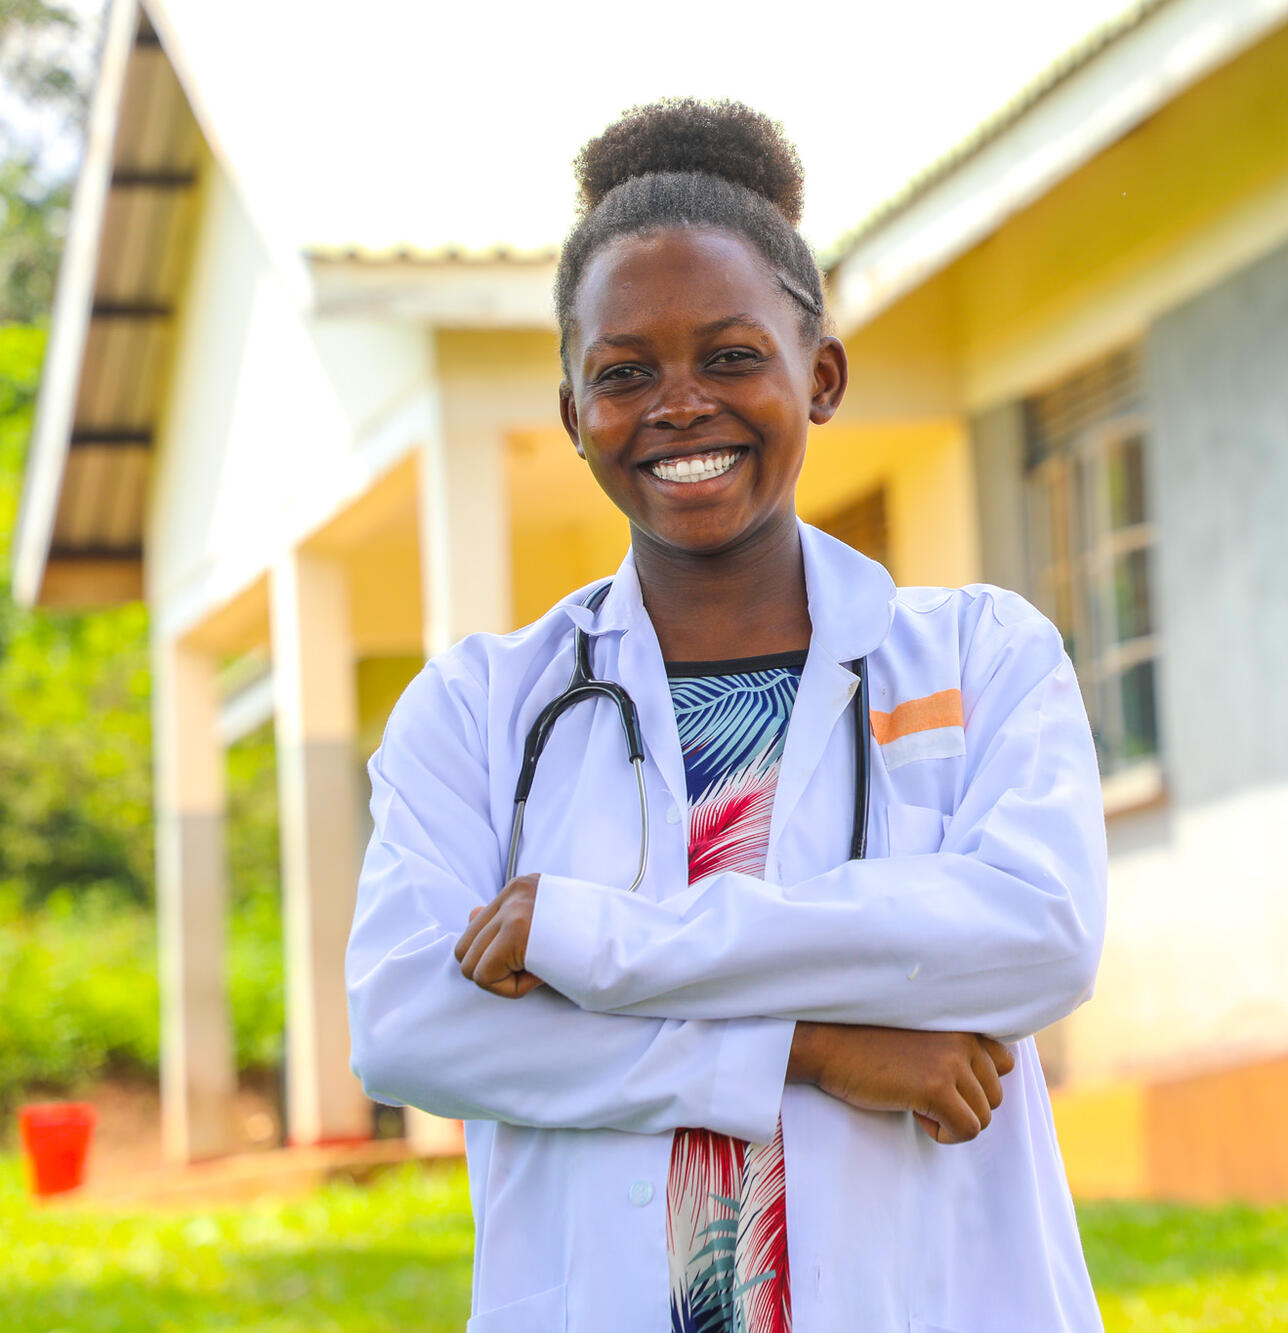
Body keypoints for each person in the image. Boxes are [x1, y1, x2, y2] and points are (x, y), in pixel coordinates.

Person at [344, 98, 1109, 1333]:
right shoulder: (480, 708)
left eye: (731, 356)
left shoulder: (982, 653)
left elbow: (1035, 933)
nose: (678, 404)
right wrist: (800, 1046)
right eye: (624, 373)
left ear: (821, 375)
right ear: (571, 414)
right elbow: (409, 1025)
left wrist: (598, 947)